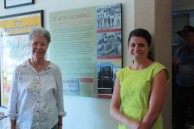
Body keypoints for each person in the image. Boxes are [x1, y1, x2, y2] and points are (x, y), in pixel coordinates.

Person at [5, 27, 66, 129]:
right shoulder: (19, 70)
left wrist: (60, 125)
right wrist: (12, 125)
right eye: (35, 43)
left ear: (47, 46)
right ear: (30, 44)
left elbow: (59, 99)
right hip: (25, 124)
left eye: (43, 44)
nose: (39, 47)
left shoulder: (55, 70)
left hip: (50, 124)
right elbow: (13, 101)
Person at [110, 28, 169, 129]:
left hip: (148, 125)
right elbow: (113, 109)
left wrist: (141, 127)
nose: (136, 49)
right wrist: (131, 124)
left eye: (141, 45)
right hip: (126, 125)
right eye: (132, 45)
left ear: (149, 48)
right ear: (128, 47)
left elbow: (155, 111)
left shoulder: (158, 70)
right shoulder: (122, 73)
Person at [173, 25, 194, 129]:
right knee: (179, 117)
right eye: (184, 36)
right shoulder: (178, 51)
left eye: (188, 35)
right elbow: (176, 68)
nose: (185, 38)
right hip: (180, 89)